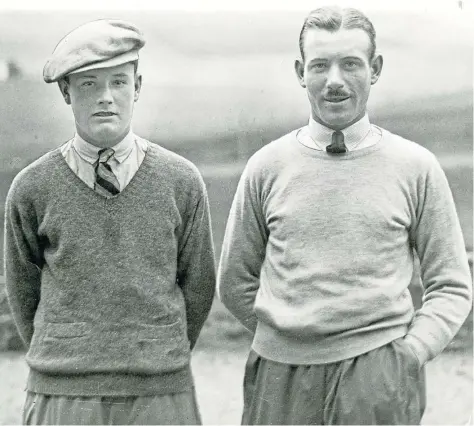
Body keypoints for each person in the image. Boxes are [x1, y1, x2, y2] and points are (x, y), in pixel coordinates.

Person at [217, 6, 472, 425]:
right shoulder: (266, 167)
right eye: (320, 65)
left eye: (350, 63)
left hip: (379, 375)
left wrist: (408, 355)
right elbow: (234, 280)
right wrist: (286, 334)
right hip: (279, 378)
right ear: (301, 72)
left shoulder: (416, 167)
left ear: (375, 69)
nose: (334, 81)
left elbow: (451, 283)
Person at [4, 19, 216, 425]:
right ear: (66, 91)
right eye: (88, 84)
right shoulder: (32, 187)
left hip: (160, 392)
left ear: (137, 88)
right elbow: (22, 289)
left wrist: (158, 352)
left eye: (119, 82)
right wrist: (67, 354)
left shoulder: (181, 180)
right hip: (64, 392)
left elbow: (199, 285)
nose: (106, 98)